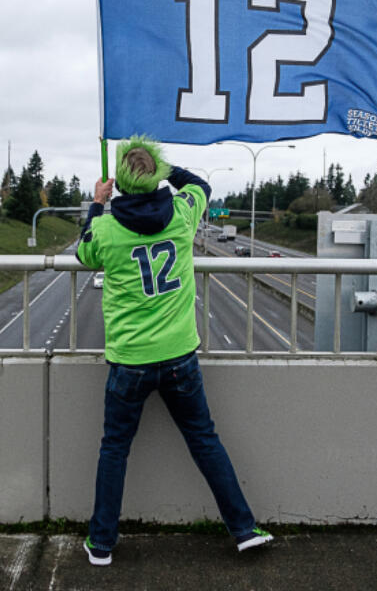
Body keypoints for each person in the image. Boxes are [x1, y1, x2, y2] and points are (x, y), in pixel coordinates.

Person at [75, 135, 272, 566]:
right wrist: (166, 168)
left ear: (122, 184)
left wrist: (96, 203)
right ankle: (243, 529)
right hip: (181, 355)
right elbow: (199, 184)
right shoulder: (183, 215)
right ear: (157, 176)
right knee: (204, 440)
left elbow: (84, 253)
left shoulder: (107, 227)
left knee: (114, 449)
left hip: (129, 360)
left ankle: (102, 543)